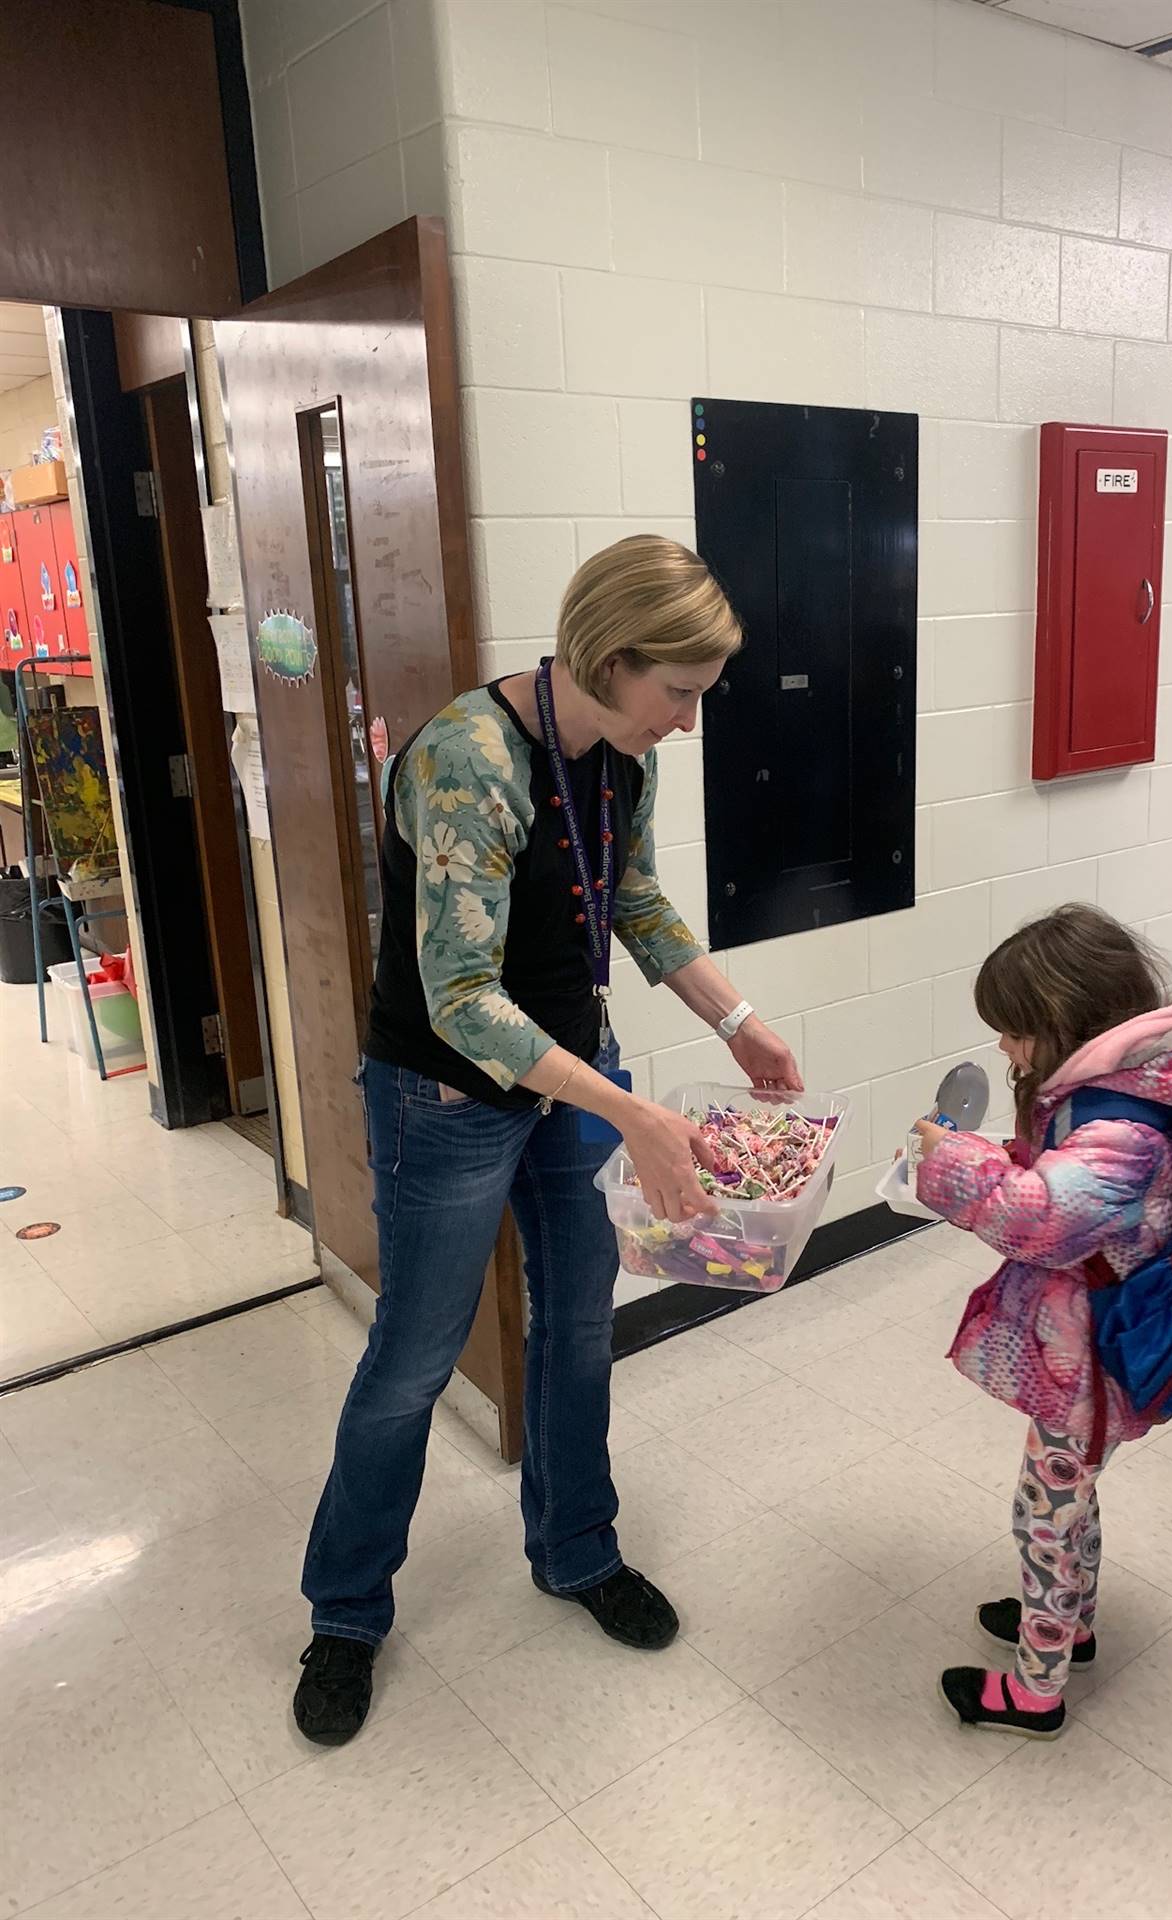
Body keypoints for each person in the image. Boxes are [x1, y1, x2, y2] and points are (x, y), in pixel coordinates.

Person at [293, 536, 801, 1745]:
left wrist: (737, 1022)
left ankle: (577, 1550)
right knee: (413, 1362)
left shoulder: (621, 758)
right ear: (608, 657)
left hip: (571, 1078)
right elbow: (462, 999)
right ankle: (346, 1611)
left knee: (579, 1323)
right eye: (675, 694)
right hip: (448, 1100)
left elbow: (634, 901)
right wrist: (630, 1110)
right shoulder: (469, 760)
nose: (685, 723)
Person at [911, 905, 1172, 1739]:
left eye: (1012, 1033)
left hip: (1096, 1357)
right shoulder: (1130, 1089)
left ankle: (1037, 1690)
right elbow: (1070, 1187)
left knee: (1044, 1513)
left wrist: (950, 1161)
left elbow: (1039, 1221)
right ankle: (1072, 1623)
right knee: (1072, 1495)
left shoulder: (1121, 1127)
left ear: (1063, 1021)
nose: (1004, 1049)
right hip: (1104, 1330)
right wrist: (1008, 1154)